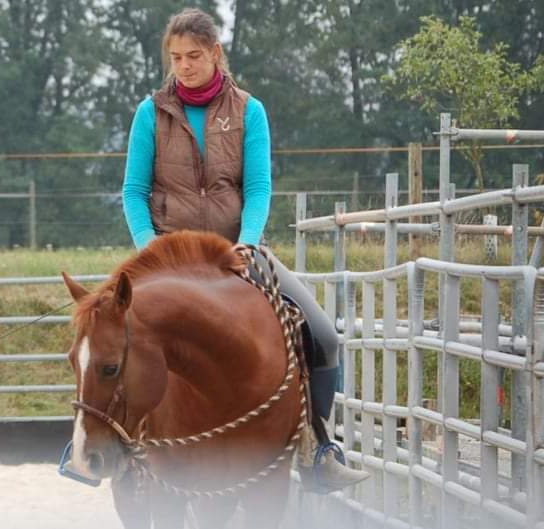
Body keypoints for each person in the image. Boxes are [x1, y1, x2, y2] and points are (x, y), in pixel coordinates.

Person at [121, 7, 369, 493]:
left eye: (194, 56)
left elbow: (257, 187)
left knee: (323, 336)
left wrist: (248, 243)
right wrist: (149, 251)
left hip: (237, 249)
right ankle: (99, 444)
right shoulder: (149, 113)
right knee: (106, 333)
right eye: (175, 58)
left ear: (216, 53)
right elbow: (133, 191)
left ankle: (317, 446)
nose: (184, 66)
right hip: (166, 253)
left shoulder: (250, 111)